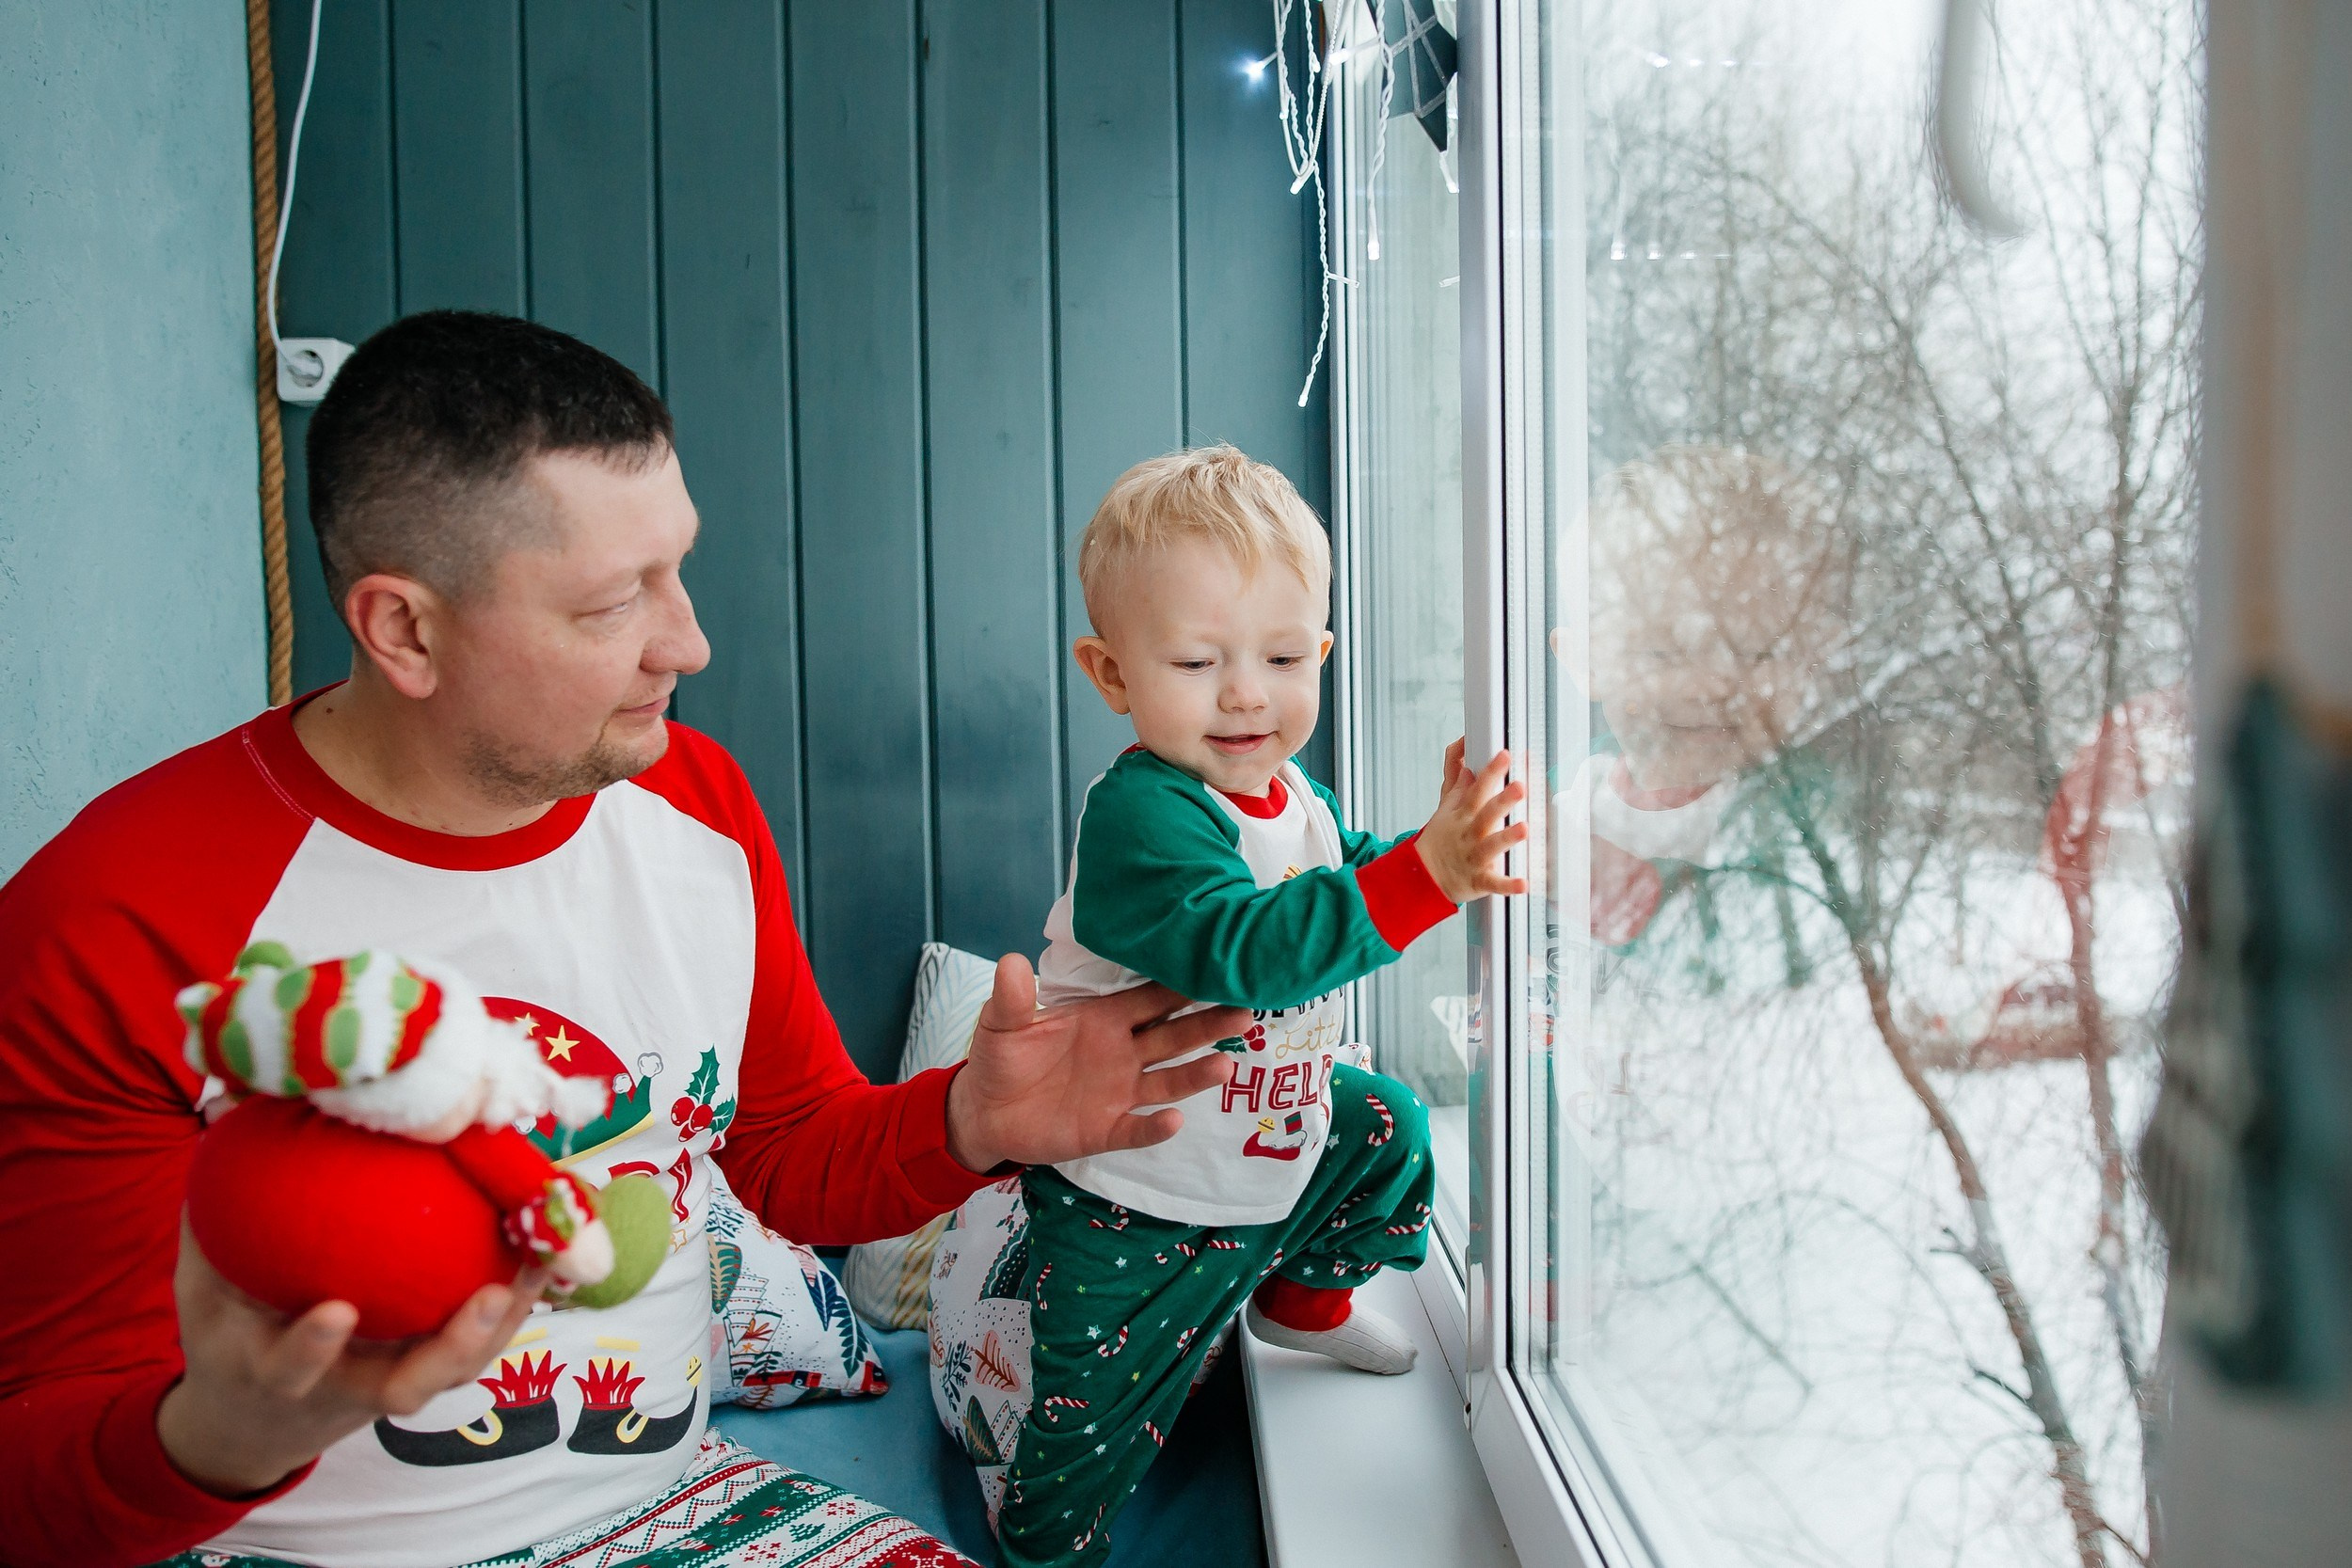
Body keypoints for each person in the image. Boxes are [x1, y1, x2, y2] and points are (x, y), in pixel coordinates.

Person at [0, 311, 1248, 1568]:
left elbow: (785, 1153)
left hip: (685, 1506)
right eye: (613, 603)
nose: (688, 641)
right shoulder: (117, 914)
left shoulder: (695, 803)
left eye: (676, 568)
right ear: (406, 631)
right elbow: (34, 1469)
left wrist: (970, 1120)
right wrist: (219, 1435)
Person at [944, 447, 1525, 1567]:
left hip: (1264, 1136)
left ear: (1320, 653)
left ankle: (1298, 1302)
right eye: (1198, 660)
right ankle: (1042, 1548)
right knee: (1088, 1432)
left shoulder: (1290, 789)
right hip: (1134, 1191)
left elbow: (1341, 872)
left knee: (1388, 1126)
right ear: (1112, 675)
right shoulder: (1142, 816)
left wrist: (1432, 845)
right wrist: (1427, 878)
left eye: (1277, 654)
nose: (1246, 691)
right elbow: (1246, 948)